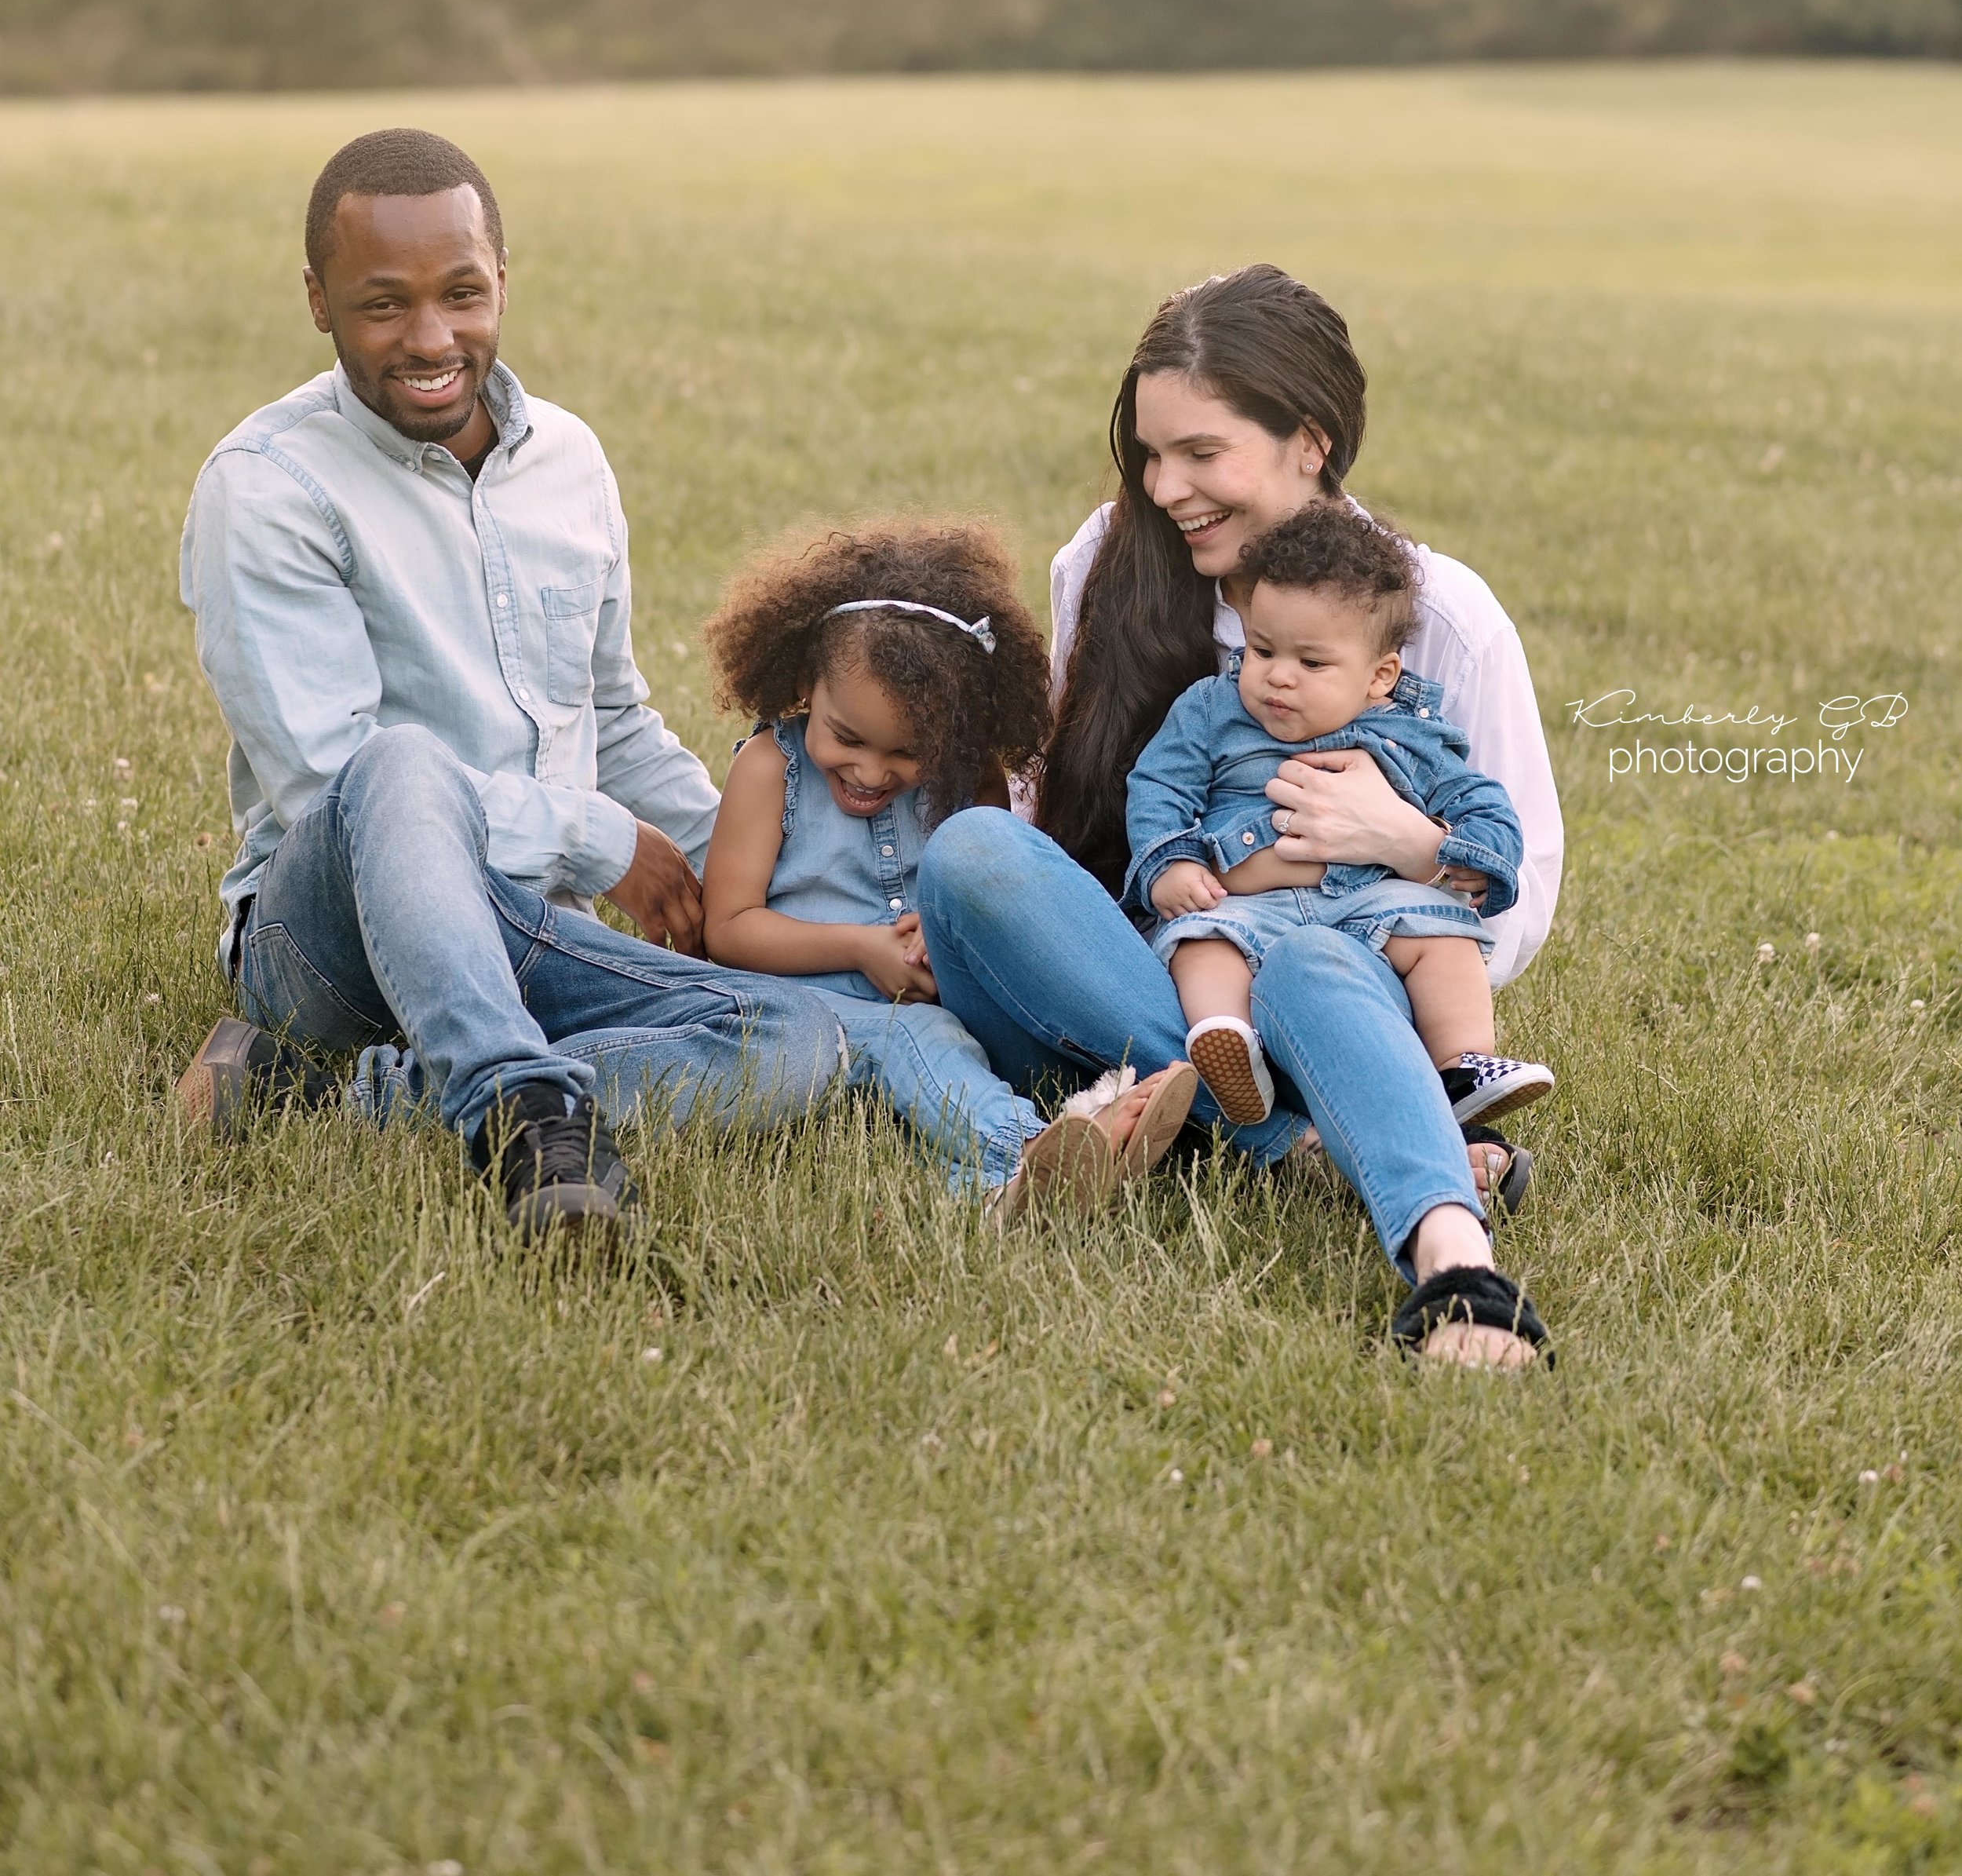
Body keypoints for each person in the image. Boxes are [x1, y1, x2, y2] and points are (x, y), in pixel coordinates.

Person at [175, 126, 844, 1244]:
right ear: (318, 298)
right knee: (399, 761)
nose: (431, 337)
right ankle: (527, 1119)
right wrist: (599, 839)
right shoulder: (268, 487)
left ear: (502, 283)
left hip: (529, 926)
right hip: (331, 944)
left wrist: (757, 875)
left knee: (803, 1036)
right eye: (383, 304)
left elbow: (616, 720)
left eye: (462, 294)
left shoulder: (570, 461)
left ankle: (321, 1099)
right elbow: (328, 784)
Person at [914, 265, 1561, 1368]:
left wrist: (1395, 844)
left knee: (1313, 966)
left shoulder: (1443, 616)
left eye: (1201, 454)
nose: (1165, 487)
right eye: (1152, 453)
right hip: (1133, 979)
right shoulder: (1109, 565)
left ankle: (1398, 1224)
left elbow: (1520, 898)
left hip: (1347, 996)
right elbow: (1041, 812)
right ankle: (1318, 1132)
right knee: (972, 853)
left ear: (1309, 441)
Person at [701, 520, 1195, 1212]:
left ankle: (995, 1193)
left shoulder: (971, 784)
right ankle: (1027, 1150)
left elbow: (969, 907)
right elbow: (726, 929)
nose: (870, 770)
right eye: (846, 736)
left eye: (908, 753)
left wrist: (938, 937)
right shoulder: (769, 771)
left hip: (941, 1012)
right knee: (919, 1037)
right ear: (806, 681)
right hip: (800, 1011)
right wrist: (860, 948)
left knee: (948, 1059)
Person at [1127, 502, 1554, 1136]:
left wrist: (1463, 856)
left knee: (1445, 942)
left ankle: (1463, 1066)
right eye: (1263, 649)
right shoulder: (1212, 710)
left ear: (1380, 676)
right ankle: (1228, 1043)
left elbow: (1485, 808)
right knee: (1202, 940)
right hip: (1246, 905)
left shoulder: (1412, 735)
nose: (1278, 677)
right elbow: (1159, 784)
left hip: (1371, 909)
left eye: (1312, 663)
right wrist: (1172, 862)